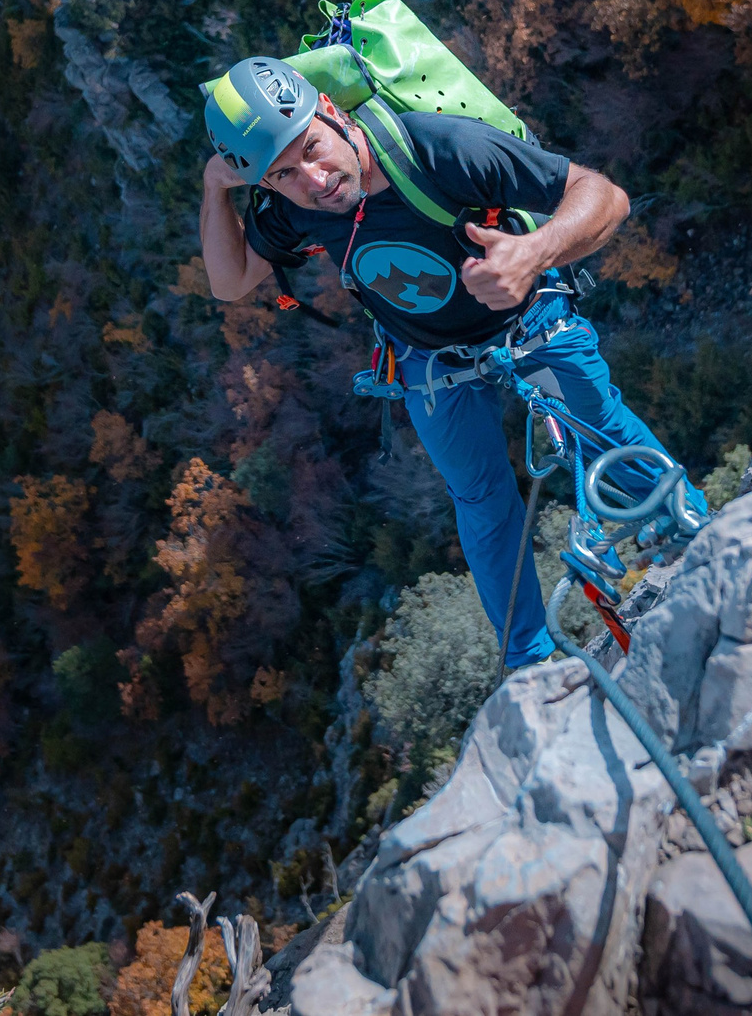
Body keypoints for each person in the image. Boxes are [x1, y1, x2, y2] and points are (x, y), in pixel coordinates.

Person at [198, 55, 701, 669]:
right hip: (429, 358)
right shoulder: (295, 208)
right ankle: (529, 662)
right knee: (484, 501)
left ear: (329, 111)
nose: (315, 178)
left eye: (311, 147)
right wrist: (213, 187)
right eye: (283, 174)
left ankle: (703, 540)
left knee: (604, 439)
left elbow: (605, 197)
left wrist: (533, 251)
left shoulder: (440, 150)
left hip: (530, 323)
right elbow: (229, 282)